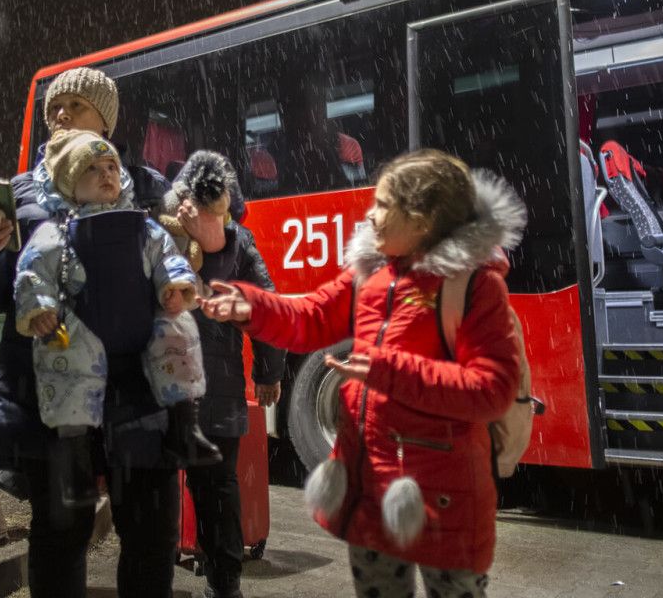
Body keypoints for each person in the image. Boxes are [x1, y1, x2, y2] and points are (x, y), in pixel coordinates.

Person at [201, 149, 527, 598]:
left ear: (424, 220)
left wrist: (388, 370)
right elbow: (308, 318)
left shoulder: (475, 285)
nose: (369, 214)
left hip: (446, 499)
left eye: (383, 204)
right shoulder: (371, 274)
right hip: (370, 487)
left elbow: (491, 391)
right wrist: (250, 306)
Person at [0, 67, 224, 598]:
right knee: (61, 534)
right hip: (50, 396)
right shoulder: (18, 195)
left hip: (139, 399)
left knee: (151, 535)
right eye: (54, 108)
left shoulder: (148, 188)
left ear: (106, 121)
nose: (60, 115)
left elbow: (188, 262)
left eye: (76, 106)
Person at [14, 129, 220, 506]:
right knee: (64, 361)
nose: (106, 173)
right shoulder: (55, 232)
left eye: (111, 166)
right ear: (71, 185)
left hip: (139, 325)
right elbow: (32, 271)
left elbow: (167, 256)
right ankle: (75, 465)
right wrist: (40, 308)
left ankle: (183, 425)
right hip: (85, 328)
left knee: (176, 327)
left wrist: (175, 285)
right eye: (92, 169)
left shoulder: (143, 224)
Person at [163, 150, 285, 598]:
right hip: (216, 390)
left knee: (168, 488)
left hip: (170, 385)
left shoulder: (170, 235)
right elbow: (265, 306)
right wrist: (269, 374)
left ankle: (197, 575)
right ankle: (225, 584)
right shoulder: (240, 242)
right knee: (219, 489)